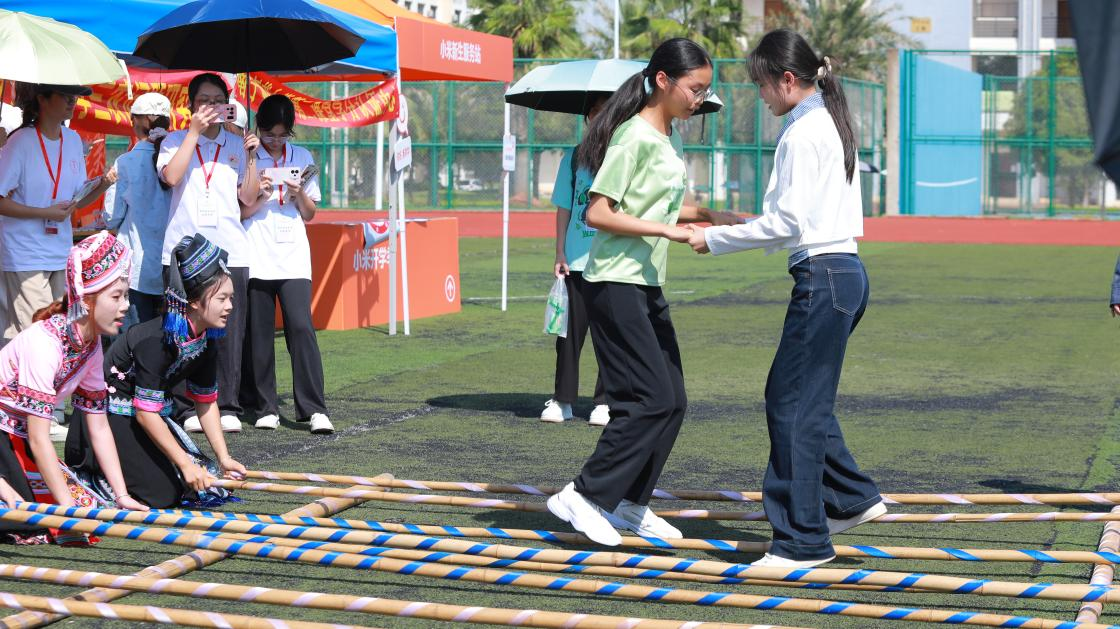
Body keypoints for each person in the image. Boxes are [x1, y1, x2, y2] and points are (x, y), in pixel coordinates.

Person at [686, 29, 885, 568]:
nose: (761, 96)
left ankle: (802, 540)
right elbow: (793, 220)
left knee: (792, 403)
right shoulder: (828, 122)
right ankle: (849, 498)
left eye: (762, 85)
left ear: (788, 80)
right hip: (843, 272)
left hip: (824, 275)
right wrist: (733, 229)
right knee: (798, 397)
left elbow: (788, 223)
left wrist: (714, 237)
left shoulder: (803, 132)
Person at [546, 38, 737, 546]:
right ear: (662, 81)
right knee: (650, 399)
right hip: (614, 281)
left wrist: (714, 215)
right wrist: (669, 232)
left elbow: (657, 205)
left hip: (646, 282)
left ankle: (630, 503)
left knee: (672, 401)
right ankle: (583, 495)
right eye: (694, 88)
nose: (700, 99)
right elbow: (599, 212)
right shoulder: (631, 137)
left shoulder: (668, 139)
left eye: (705, 90)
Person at [67, 233, 247, 509]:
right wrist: (185, 464)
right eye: (222, 298)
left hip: (145, 415)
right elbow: (145, 413)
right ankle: (94, 473)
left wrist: (224, 458)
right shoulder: (156, 341)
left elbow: (205, 400)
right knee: (164, 494)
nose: (230, 306)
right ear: (195, 302)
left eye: (231, 298)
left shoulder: (206, 337)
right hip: (105, 417)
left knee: (206, 478)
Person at [0, 231, 146, 545]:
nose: (125, 306)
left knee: (88, 510)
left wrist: (121, 495)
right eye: (116, 297)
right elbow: (39, 438)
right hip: (6, 438)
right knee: (26, 519)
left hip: (19, 438)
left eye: (125, 296)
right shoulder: (45, 343)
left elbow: (99, 426)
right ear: (87, 299)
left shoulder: (90, 346)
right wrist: (68, 511)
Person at [0, 83, 117, 442]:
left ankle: (36, 402)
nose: (72, 102)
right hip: (23, 251)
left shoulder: (72, 140)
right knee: (35, 328)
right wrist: (43, 213)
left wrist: (103, 184)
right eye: (66, 96)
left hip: (60, 250)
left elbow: (74, 201)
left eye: (75, 97)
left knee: (56, 328)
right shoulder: (20, 142)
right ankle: (37, 409)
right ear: (42, 99)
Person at [157, 73, 260, 433]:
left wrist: (251, 157)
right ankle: (185, 407)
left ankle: (227, 404)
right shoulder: (173, 140)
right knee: (183, 328)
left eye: (218, 100)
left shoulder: (237, 144)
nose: (212, 106)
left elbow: (248, 197)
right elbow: (171, 177)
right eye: (204, 100)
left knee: (228, 330)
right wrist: (193, 133)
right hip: (183, 249)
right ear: (190, 105)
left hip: (229, 249)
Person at [240, 95, 333, 434]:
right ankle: (266, 407)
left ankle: (314, 409)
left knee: (301, 327)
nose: (275, 141)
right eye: (269, 134)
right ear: (259, 129)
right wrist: (260, 190)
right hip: (256, 253)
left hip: (293, 256)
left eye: (282, 135)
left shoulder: (302, 157)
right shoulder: (248, 155)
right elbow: (241, 211)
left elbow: (310, 213)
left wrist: (298, 193)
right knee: (259, 333)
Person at [541, 96, 611, 427]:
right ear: (587, 119)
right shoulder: (573, 158)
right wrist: (560, 252)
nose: (599, 119)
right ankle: (563, 400)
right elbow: (564, 208)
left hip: (612, 263)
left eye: (606, 113)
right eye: (594, 114)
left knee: (609, 338)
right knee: (568, 337)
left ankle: (605, 402)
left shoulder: (623, 156)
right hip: (575, 263)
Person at [103, 92, 173, 328]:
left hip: (135, 266)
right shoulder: (180, 159)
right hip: (171, 266)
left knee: (135, 338)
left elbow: (112, 218)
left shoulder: (125, 162)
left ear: (138, 122)